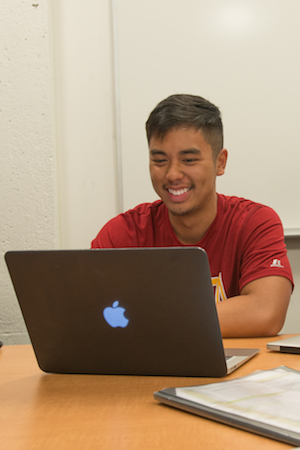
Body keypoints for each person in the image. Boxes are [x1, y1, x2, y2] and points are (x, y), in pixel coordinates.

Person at [92, 94, 293, 338]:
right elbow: (88, 314)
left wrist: (146, 321)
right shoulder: (123, 232)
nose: (173, 173)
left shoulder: (255, 223)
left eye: (188, 160)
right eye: (159, 160)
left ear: (220, 162)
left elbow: (265, 313)